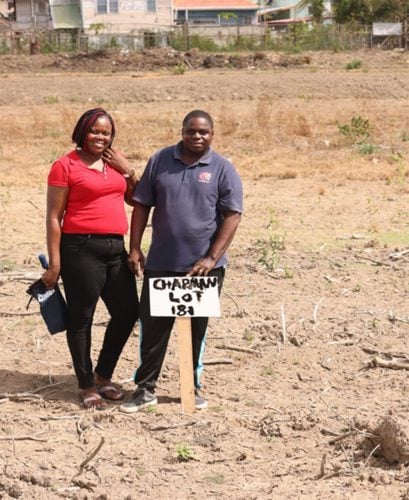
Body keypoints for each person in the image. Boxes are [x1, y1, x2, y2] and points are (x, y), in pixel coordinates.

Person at [120, 109, 243, 413]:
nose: (196, 137)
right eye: (191, 131)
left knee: (195, 332)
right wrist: (134, 248)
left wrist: (211, 258)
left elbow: (233, 215)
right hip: (161, 263)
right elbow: (141, 206)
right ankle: (145, 390)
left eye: (203, 132)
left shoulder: (222, 168)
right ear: (182, 131)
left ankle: (191, 389)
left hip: (203, 269)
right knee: (153, 330)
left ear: (212, 134)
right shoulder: (161, 160)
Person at [42, 108, 139, 409]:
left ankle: (102, 375)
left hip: (115, 249)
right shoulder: (65, 165)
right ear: (83, 131)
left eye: (106, 132)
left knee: (127, 312)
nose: (101, 137)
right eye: (95, 131)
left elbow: (138, 199)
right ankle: (86, 384)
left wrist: (129, 170)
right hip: (80, 249)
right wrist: (55, 263)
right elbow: (54, 217)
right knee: (82, 318)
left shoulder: (114, 163)